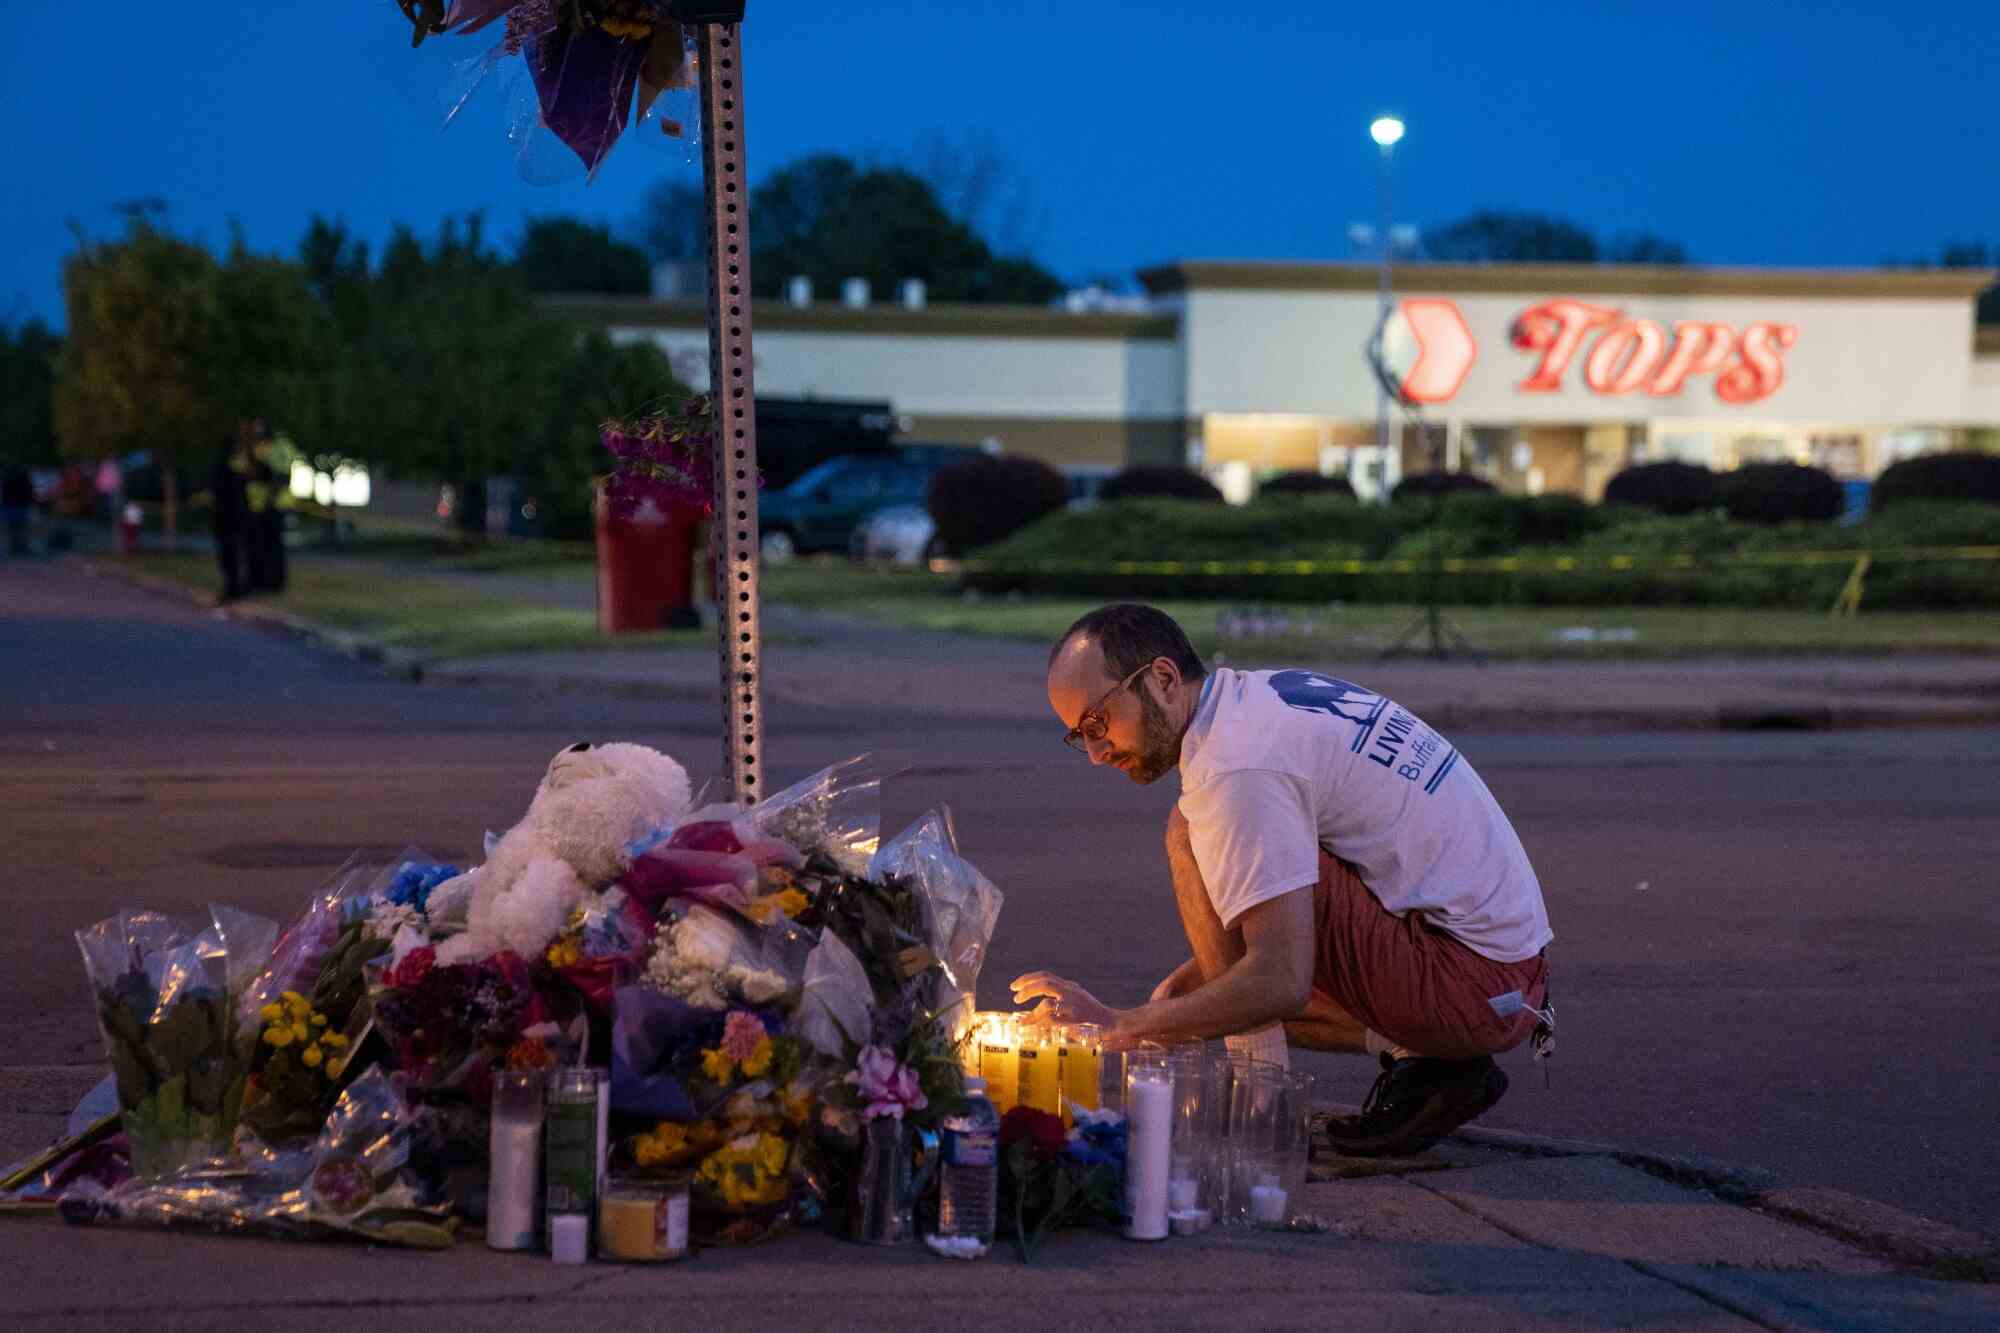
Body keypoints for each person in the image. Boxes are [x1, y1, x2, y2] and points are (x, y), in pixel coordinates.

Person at [1013, 603, 1555, 1157]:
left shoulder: (1237, 768)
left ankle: (1264, 1116)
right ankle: (1431, 1064)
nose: (1097, 755)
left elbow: (1280, 982)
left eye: (1098, 723)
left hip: (1478, 985)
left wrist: (1119, 1026)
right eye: (1080, 737)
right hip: (1500, 971)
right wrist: (1165, 1015)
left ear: (1163, 678)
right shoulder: (1251, 702)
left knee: (1192, 835)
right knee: (1184, 998)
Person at [208, 434, 250, 603]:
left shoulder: (220, 466)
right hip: (235, 516)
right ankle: (234, 587)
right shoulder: (237, 467)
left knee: (228, 554)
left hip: (225, 517)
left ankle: (232, 587)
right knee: (235, 553)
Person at [2, 461, 34, 556]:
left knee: (12, 529)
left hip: (10, 506)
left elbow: (4, 492)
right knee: (22, 529)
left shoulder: (6, 477)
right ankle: (22, 547)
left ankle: (13, 548)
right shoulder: (24, 476)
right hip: (21, 506)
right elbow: (29, 490)